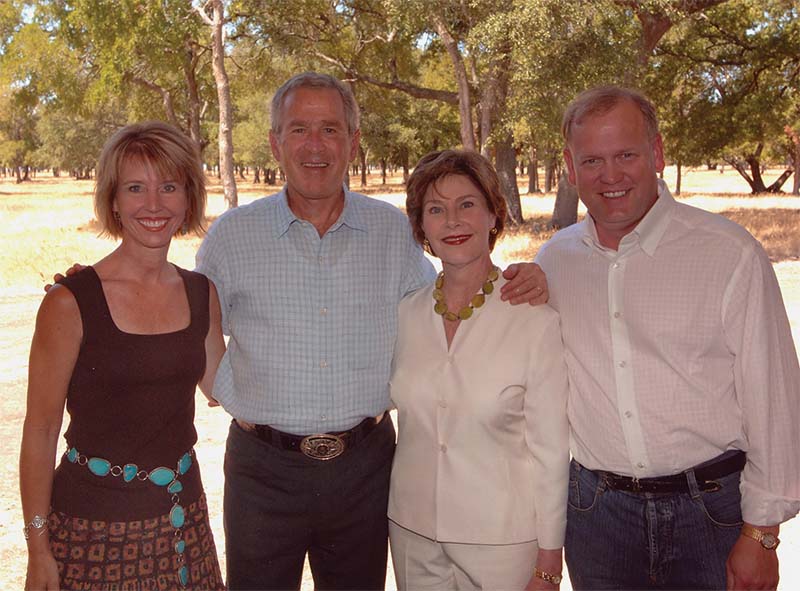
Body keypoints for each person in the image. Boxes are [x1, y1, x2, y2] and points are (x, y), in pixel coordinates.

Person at [194, 72, 549, 590]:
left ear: (354, 142)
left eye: (331, 129)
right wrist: (220, 389)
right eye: (298, 129)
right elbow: (185, 319)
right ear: (275, 142)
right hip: (262, 473)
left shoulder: (392, 233)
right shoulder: (232, 236)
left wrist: (532, 278)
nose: (315, 146)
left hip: (366, 469)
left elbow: (453, 298)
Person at [535, 85, 800, 590]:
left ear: (656, 154)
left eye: (626, 155)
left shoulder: (728, 255)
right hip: (597, 516)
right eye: (591, 160)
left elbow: (775, 400)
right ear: (570, 168)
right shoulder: (555, 261)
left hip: (711, 512)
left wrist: (762, 533)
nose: (609, 176)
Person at [20, 121, 226, 591]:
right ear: (113, 200)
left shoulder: (201, 292)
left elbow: (222, 386)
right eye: (136, 188)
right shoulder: (70, 302)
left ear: (188, 199)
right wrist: (38, 549)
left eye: (169, 187)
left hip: (181, 522)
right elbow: (40, 428)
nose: (154, 205)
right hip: (90, 527)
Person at [387, 150, 570, 590]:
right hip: (412, 531)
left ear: (493, 214)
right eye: (436, 209)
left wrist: (549, 558)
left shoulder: (534, 318)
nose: (452, 220)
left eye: (467, 204)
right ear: (421, 228)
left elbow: (550, 449)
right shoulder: (405, 314)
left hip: (503, 541)